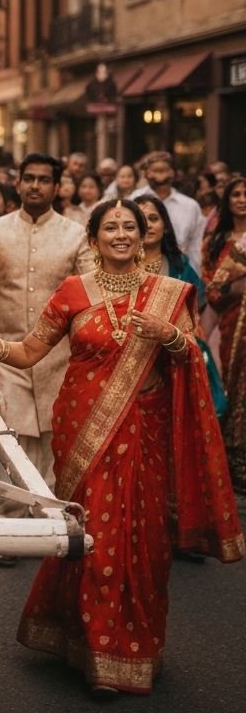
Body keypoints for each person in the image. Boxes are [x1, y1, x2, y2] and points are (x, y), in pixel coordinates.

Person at [0, 198, 244, 695]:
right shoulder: (72, 291)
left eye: (132, 226)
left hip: (144, 431)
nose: (123, 234)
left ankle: (131, 648)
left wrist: (168, 335)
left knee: (144, 542)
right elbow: (28, 352)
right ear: (94, 238)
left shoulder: (168, 294)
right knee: (94, 536)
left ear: (146, 235)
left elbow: (193, 357)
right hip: (82, 426)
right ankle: (90, 644)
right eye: (112, 227)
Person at [0, 153, 94, 565]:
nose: (34, 186)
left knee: (50, 438)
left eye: (44, 180)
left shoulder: (75, 235)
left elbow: (89, 300)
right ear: (19, 183)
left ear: (56, 187)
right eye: (28, 179)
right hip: (6, 352)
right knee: (10, 436)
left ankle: (48, 523)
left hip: (58, 357)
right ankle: (9, 529)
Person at [139, 192, 227, 420]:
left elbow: (192, 314)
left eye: (153, 218)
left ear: (165, 226)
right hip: (135, 356)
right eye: (140, 218)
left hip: (175, 353)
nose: (147, 225)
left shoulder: (180, 266)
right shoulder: (122, 267)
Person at [203, 175, 246, 494]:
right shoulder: (217, 242)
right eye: (237, 194)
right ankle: (235, 460)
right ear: (228, 201)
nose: (243, 199)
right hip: (230, 325)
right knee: (232, 384)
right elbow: (213, 290)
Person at [132, 150, 206, 273]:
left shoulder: (190, 206)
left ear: (173, 173)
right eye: (155, 170)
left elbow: (195, 247)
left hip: (180, 272)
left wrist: (191, 276)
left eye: (164, 170)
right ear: (146, 173)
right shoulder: (133, 201)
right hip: (138, 270)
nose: (160, 174)